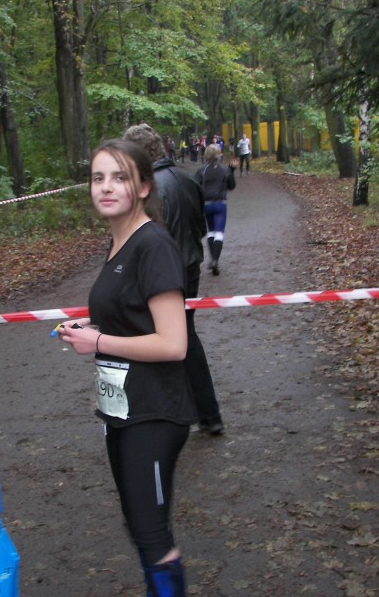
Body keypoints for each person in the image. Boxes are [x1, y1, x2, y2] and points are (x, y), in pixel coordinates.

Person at [55, 139, 196, 596]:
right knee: (139, 524)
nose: (106, 187)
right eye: (98, 178)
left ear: (142, 187)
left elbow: (174, 343)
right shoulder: (119, 241)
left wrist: (98, 340)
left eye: (119, 177)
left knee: (152, 533)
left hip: (154, 413)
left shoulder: (152, 244)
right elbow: (134, 317)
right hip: (122, 410)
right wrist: (91, 328)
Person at [123, 123, 225, 435]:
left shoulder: (149, 190)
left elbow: (145, 239)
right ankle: (208, 414)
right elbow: (200, 226)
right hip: (189, 268)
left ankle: (166, 417)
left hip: (162, 277)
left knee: (156, 343)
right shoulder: (185, 179)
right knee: (186, 339)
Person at [195, 144, 237, 275]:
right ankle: (215, 260)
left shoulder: (202, 171)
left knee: (211, 232)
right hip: (220, 204)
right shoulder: (225, 170)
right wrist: (232, 171)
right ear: (219, 155)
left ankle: (213, 259)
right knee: (219, 232)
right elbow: (232, 186)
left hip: (206, 205)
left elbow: (195, 186)